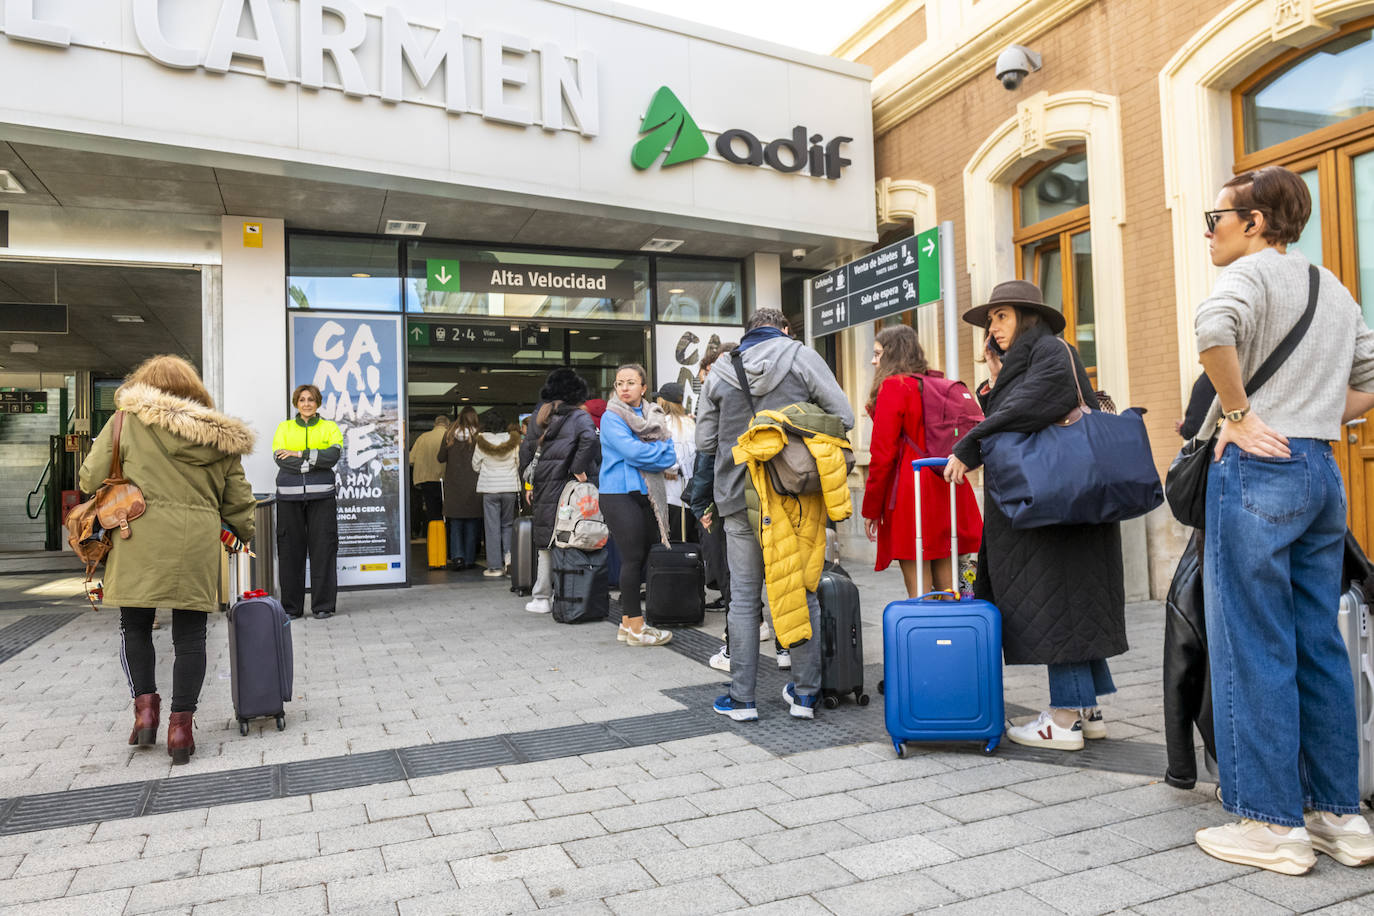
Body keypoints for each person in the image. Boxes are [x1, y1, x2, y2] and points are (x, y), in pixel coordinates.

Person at [1185, 166, 1374, 875]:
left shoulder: (1252, 276)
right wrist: (1316, 419)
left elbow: (1213, 329)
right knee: (1317, 643)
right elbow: (1370, 378)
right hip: (1321, 473)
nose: (1211, 230)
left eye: (1218, 216)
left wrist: (1241, 415)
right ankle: (1339, 818)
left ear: (1257, 222)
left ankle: (1272, 825)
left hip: (1260, 468)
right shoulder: (1333, 288)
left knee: (1253, 643)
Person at [943, 280, 1125, 751]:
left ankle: (1062, 721)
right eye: (990, 320)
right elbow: (1015, 414)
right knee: (1073, 602)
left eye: (1001, 316)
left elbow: (1027, 408)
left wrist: (968, 444)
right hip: (1062, 504)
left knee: (1058, 602)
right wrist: (996, 374)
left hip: (1053, 507)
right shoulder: (1030, 359)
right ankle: (1088, 709)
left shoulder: (1048, 350)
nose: (994, 327)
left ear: (1026, 316)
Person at [80, 355, 255, 764]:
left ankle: (145, 712)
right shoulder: (220, 437)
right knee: (190, 636)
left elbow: (89, 479)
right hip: (195, 543)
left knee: (134, 625)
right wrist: (243, 535)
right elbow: (239, 503)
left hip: (135, 534)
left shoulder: (123, 422)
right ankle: (181, 729)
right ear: (195, 390)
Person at [696, 308, 854, 720]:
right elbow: (845, 417)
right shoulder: (802, 356)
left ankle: (742, 699)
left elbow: (705, 441)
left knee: (745, 600)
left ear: (746, 332)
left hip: (736, 497)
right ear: (783, 329)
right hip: (794, 494)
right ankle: (805, 695)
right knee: (801, 591)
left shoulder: (720, 370)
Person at [861, 324, 981, 597]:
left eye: (878, 353)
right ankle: (956, 638)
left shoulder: (894, 387)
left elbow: (882, 457)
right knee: (953, 591)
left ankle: (929, 639)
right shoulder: (937, 385)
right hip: (948, 483)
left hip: (912, 491)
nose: (873, 360)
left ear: (892, 354)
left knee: (920, 596)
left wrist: (871, 509)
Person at [601, 363, 679, 647]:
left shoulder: (652, 415)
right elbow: (632, 452)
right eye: (619, 383)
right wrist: (653, 451)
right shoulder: (612, 417)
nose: (624, 388)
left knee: (641, 557)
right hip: (617, 494)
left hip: (646, 494)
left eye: (630, 382)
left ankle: (626, 624)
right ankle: (636, 626)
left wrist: (650, 452)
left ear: (643, 387)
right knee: (632, 559)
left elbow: (669, 454)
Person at [520, 368, 601, 614]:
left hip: (544, 486)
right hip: (571, 488)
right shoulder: (579, 417)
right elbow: (591, 440)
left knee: (545, 540)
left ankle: (542, 596)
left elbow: (526, 453)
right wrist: (579, 469)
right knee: (572, 536)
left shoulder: (539, 416)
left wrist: (528, 483)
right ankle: (568, 593)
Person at [273, 383, 343, 619]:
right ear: (296, 403)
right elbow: (280, 459)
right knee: (290, 552)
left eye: (311, 400)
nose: (306, 404)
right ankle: (291, 608)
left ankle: (323, 605)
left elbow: (332, 456)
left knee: (323, 550)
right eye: (302, 400)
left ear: (317, 403)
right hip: (289, 498)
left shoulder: (330, 427)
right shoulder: (284, 428)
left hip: (322, 497)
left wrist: (299, 454)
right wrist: (313, 460)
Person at [472, 410, 521, 578]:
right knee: (508, 525)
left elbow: (475, 466)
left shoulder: (481, 441)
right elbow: (518, 463)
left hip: (490, 489)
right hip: (509, 488)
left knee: (491, 527)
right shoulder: (513, 441)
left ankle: (494, 567)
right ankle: (510, 563)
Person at [438, 406, 483, 571]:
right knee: (472, 523)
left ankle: (458, 557)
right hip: (474, 486)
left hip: (454, 486)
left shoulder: (449, 435)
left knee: (456, 523)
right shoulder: (479, 437)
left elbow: (440, 457)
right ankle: (470, 559)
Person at [655, 382, 697, 543]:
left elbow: (665, 459)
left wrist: (670, 469)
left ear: (663, 401)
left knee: (672, 543)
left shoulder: (662, 424)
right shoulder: (691, 423)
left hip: (669, 494)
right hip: (691, 494)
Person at [410, 415, 449, 529]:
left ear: (434, 424)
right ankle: (446, 539)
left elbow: (411, 460)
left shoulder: (423, 437)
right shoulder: (450, 437)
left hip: (427, 481)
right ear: (448, 424)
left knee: (432, 513)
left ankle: (434, 540)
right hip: (446, 481)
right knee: (446, 514)